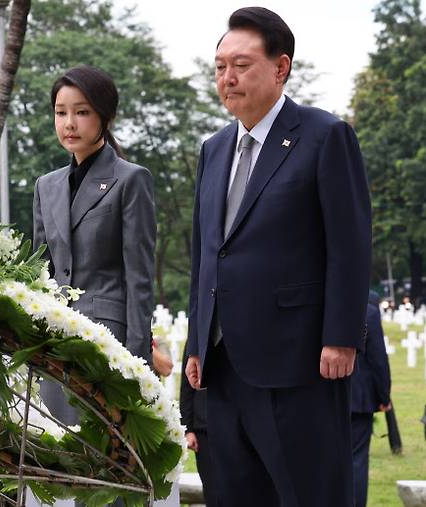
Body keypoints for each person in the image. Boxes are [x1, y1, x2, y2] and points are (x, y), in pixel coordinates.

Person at [184, 7, 371, 507]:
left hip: (299, 363)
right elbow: (207, 252)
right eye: (220, 66)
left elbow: (350, 246)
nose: (228, 77)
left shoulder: (324, 136)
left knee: (309, 494)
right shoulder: (213, 148)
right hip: (221, 369)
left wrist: (341, 337)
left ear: (281, 67)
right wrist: (196, 343)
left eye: (241, 65)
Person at [31, 65, 157, 506]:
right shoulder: (45, 186)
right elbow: (40, 272)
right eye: (60, 112)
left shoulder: (130, 179)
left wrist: (138, 363)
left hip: (110, 345)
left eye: (81, 112)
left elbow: (140, 277)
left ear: (103, 116)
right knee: (62, 472)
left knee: (111, 472)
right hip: (55, 345)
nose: (69, 123)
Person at [351, 291, 392, 507]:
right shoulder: (369, 313)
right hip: (358, 398)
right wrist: (384, 395)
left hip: (325, 399)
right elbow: (378, 359)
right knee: (357, 461)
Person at [179, 346, 215, 506]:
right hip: (203, 428)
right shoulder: (197, 336)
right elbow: (186, 387)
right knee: (212, 489)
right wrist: (188, 429)